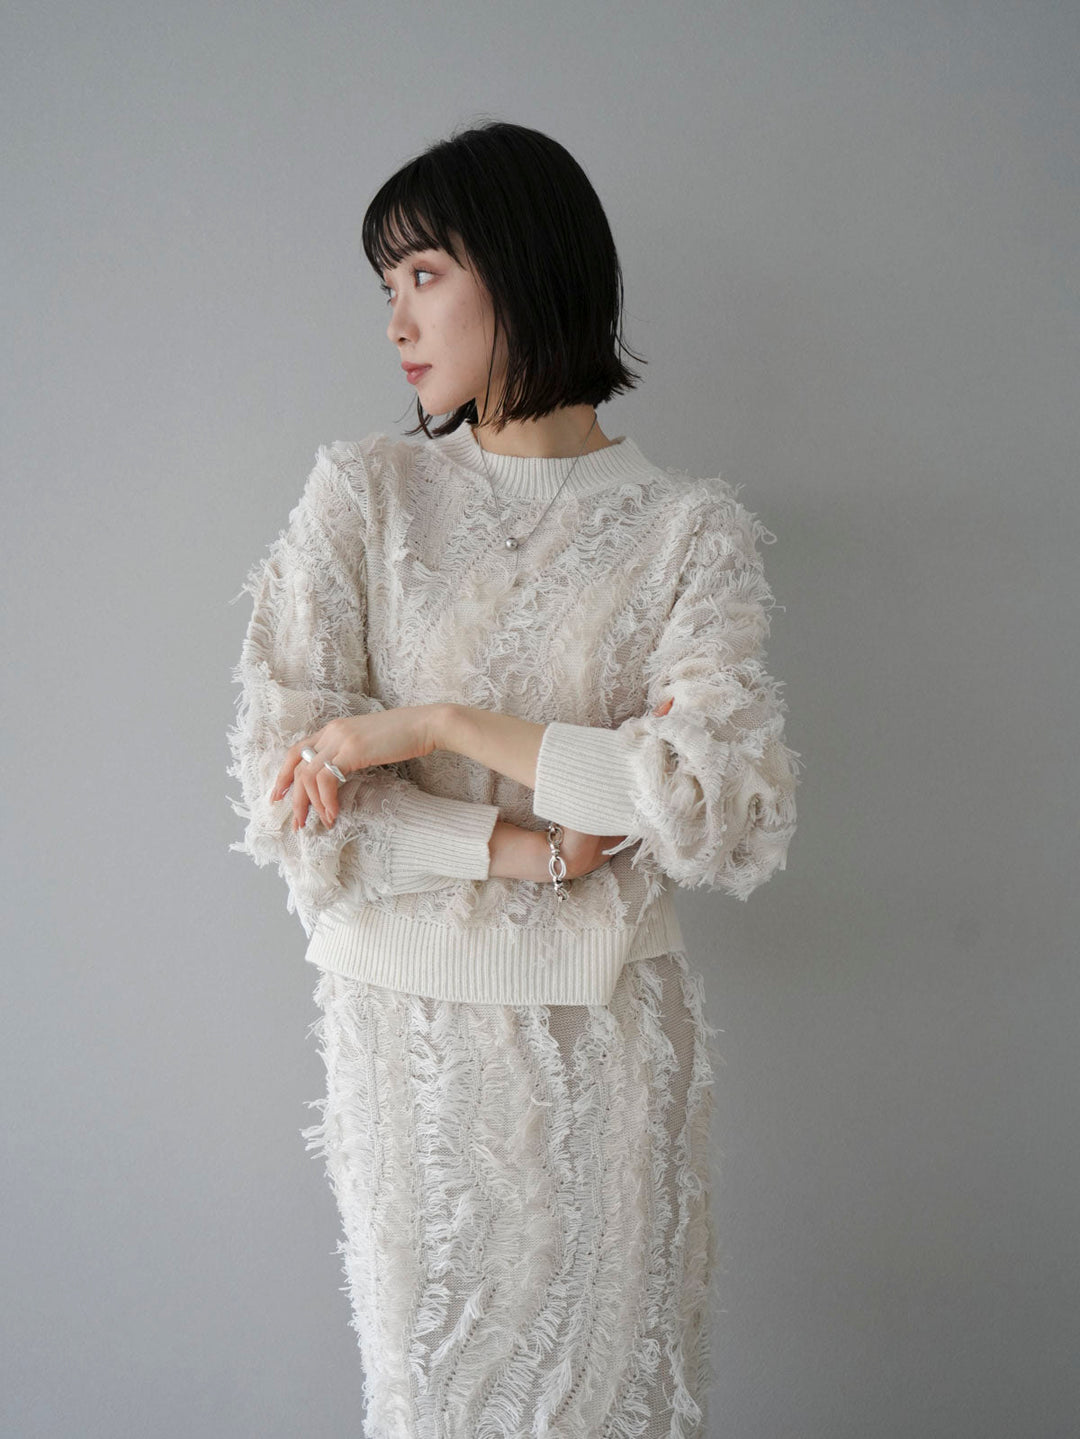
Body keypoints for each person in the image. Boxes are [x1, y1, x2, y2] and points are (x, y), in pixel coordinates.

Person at [226, 119, 801, 1439]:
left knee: (607, 1406)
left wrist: (433, 724)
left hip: (605, 1047)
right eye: (386, 286)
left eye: (424, 275)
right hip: (409, 1050)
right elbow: (291, 799)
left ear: (526, 266)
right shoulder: (362, 497)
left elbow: (711, 809)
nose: (396, 321)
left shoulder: (689, 533)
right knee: (429, 1403)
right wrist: (526, 847)